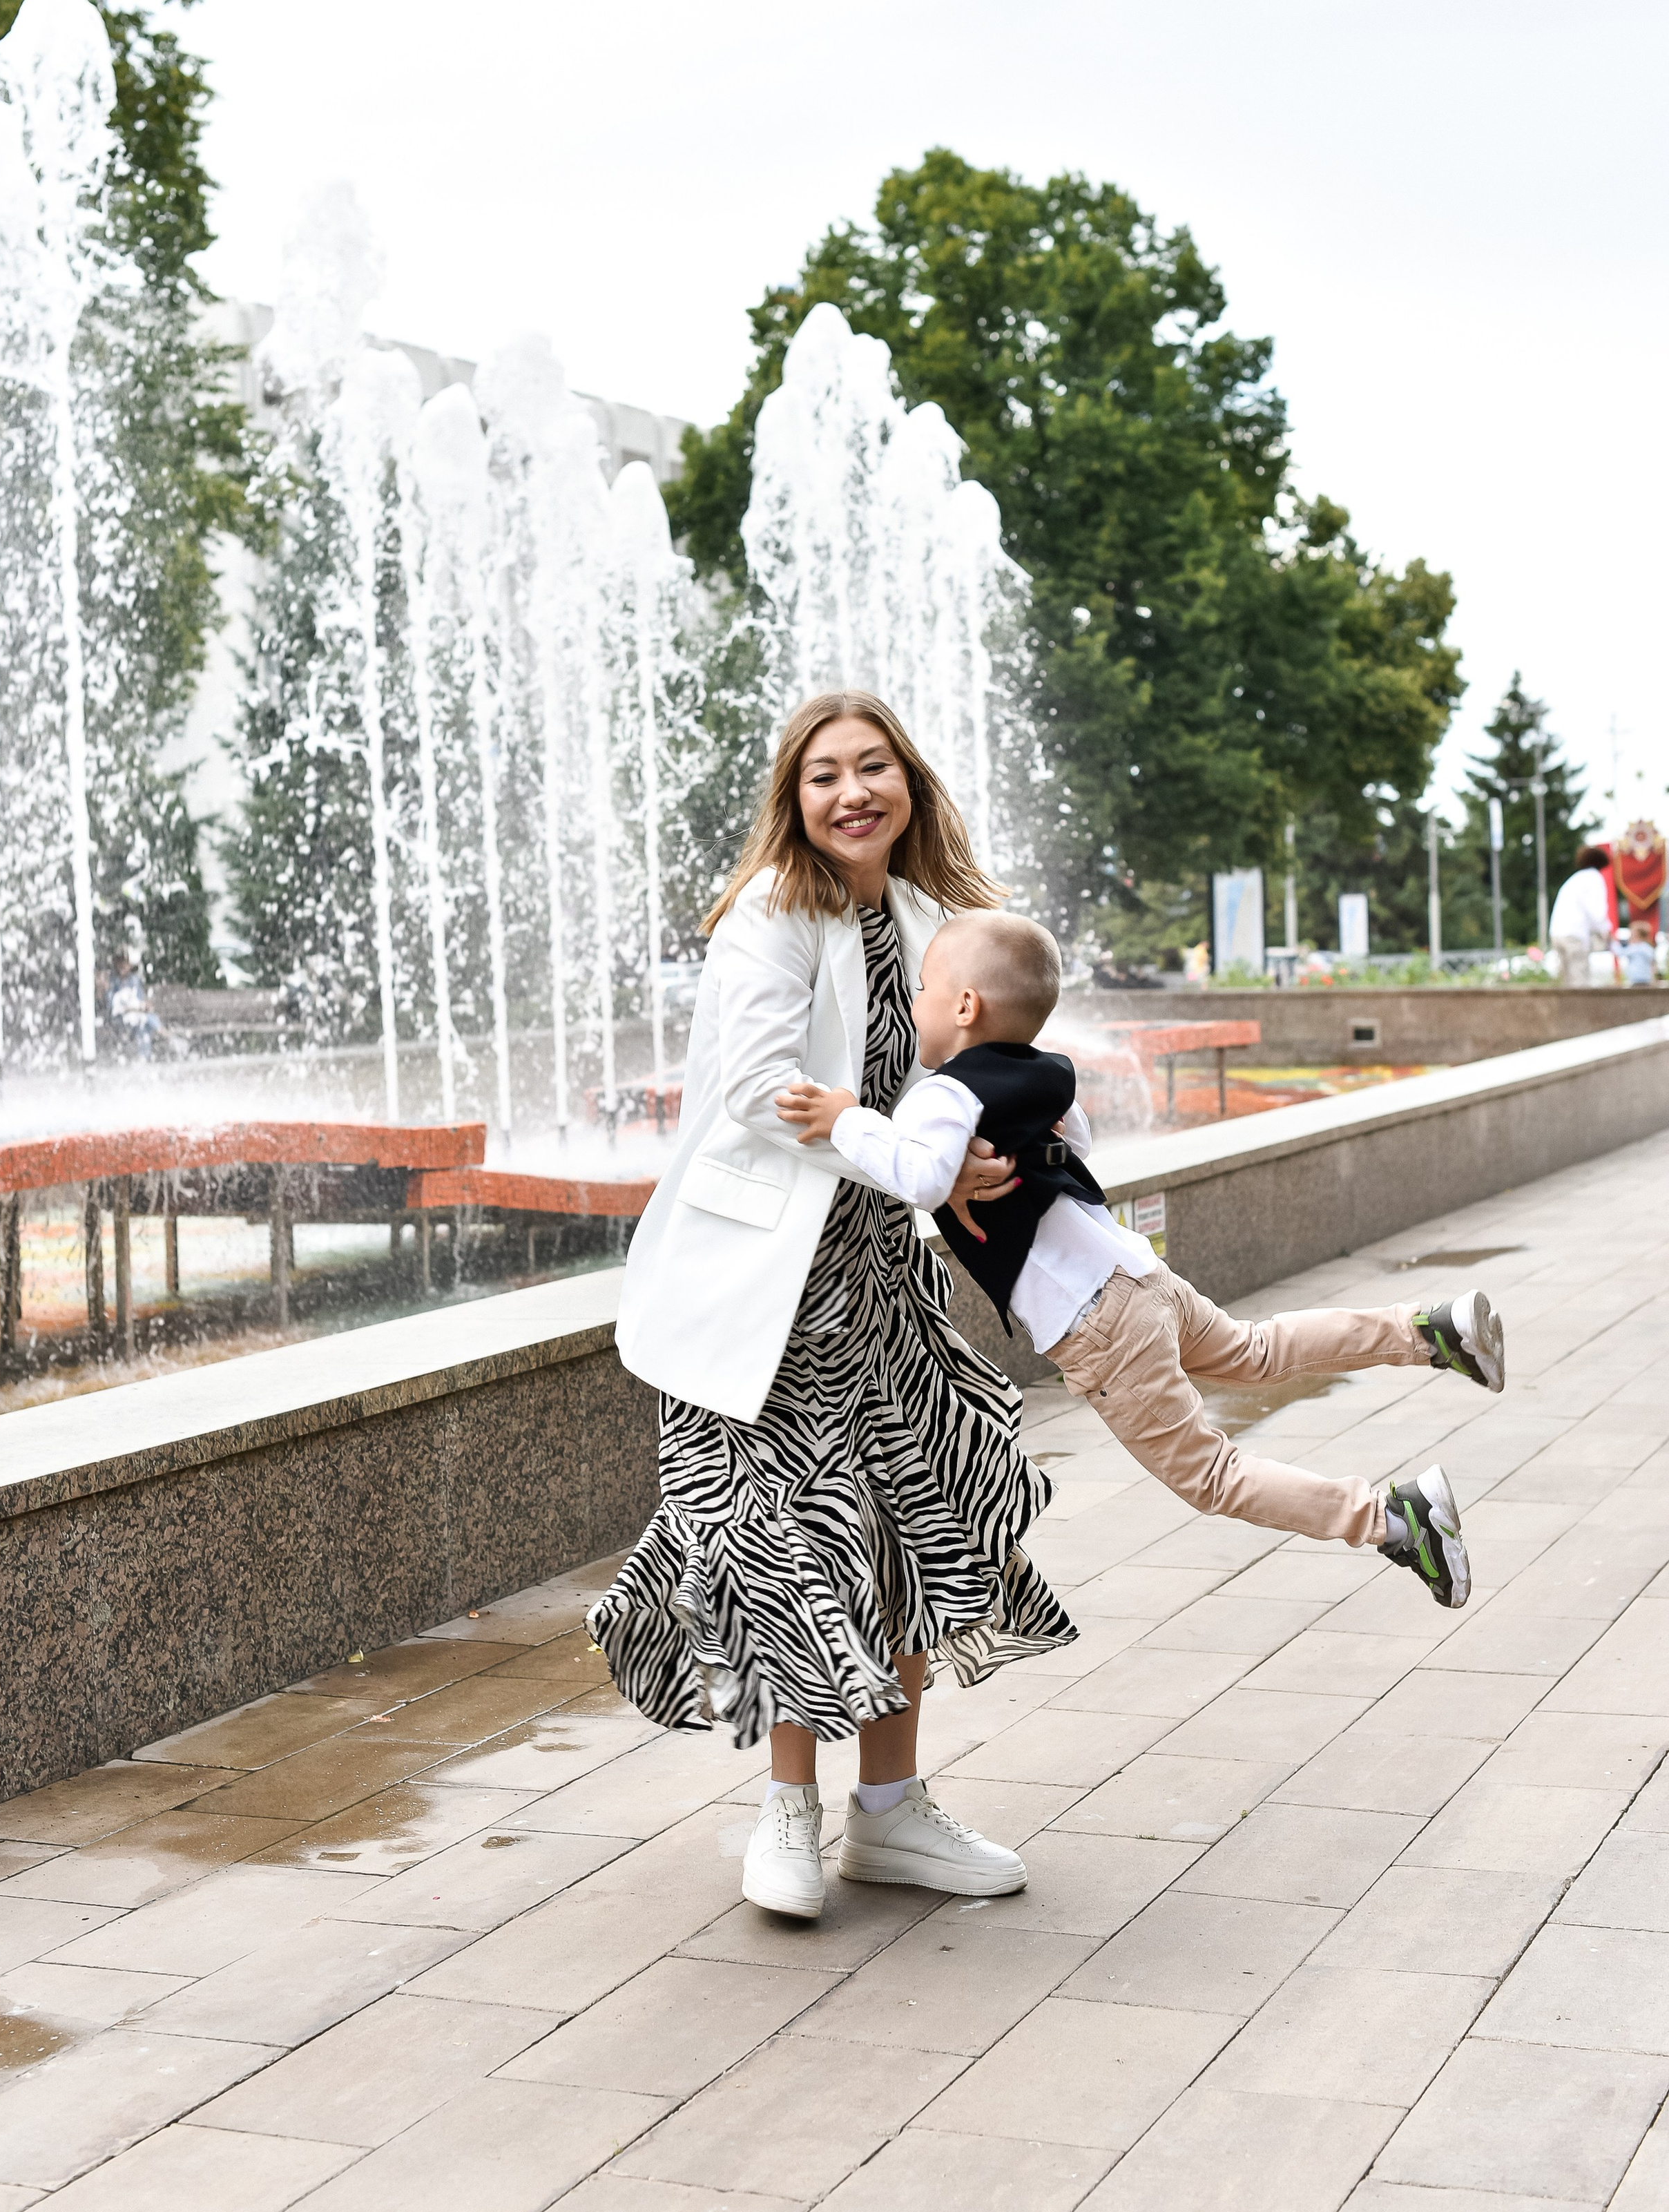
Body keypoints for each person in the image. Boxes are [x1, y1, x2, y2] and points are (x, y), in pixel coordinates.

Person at [588, 693, 1072, 1922]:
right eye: (824, 777)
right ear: (793, 801)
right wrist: (892, 1145)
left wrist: (970, 1162)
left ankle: (894, 1813)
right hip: (765, 1289)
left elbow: (955, 1086)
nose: (852, 793)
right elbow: (761, 1094)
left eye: (874, 769)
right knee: (786, 1543)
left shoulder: (922, 917)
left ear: (907, 782)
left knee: (909, 1524)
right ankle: (788, 1812)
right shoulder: (774, 911)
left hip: (878, 1280)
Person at [780, 909, 1499, 1621]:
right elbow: (1076, 1143)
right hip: (1137, 1277)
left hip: (1096, 1320)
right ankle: (1429, 1330)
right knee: (1256, 1349)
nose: (913, 1002)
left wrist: (847, 1118)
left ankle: (1392, 1518)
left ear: (964, 1006)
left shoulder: (942, 1093)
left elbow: (926, 1178)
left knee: (1210, 1476)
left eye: (921, 988)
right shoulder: (1036, 1070)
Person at [1550, 846, 1616, 987]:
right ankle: (1580, 1010)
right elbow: (1596, 910)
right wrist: (1606, 929)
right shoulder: (1594, 878)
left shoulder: (1574, 879)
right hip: (1575, 934)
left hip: (1557, 932)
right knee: (1580, 980)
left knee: (1566, 981)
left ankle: (1566, 1009)